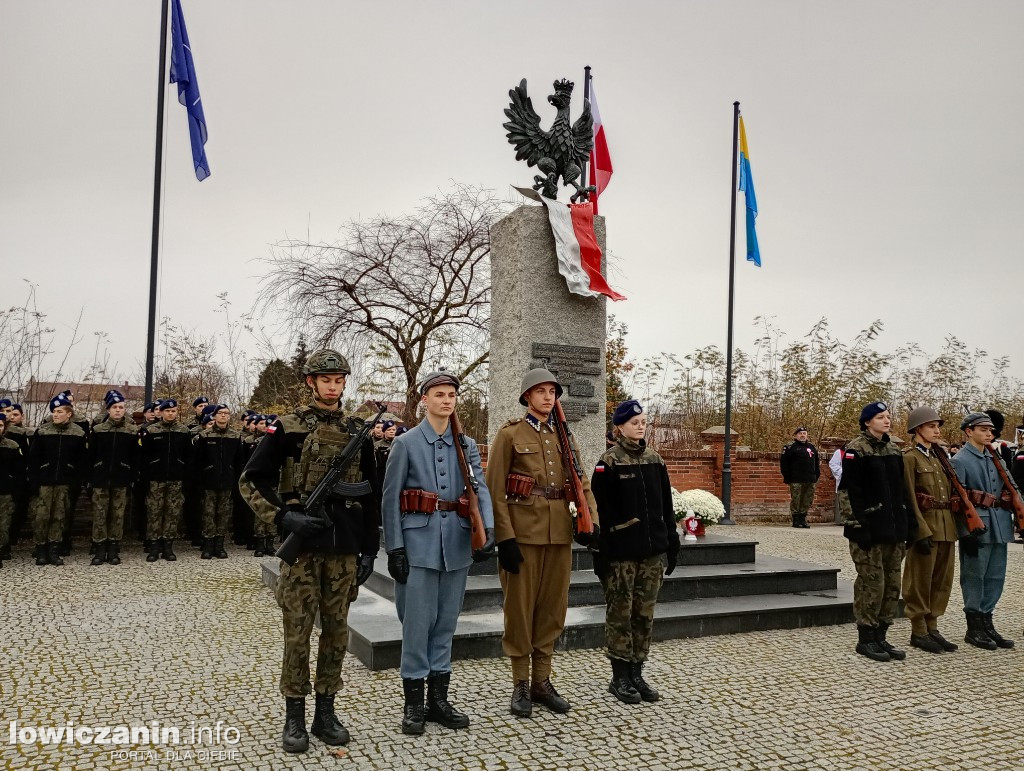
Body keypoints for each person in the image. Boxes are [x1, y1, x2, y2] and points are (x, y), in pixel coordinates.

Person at [239, 349, 380, 753]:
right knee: (298, 633)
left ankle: (326, 712)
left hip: (343, 551)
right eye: (326, 380)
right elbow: (250, 481)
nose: (333, 387)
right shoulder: (287, 427)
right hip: (302, 552)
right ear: (311, 382)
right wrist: (285, 519)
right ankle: (294, 716)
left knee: (336, 634)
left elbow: (370, 496)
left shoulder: (358, 431)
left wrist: (369, 550)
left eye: (339, 380)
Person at [381, 370, 495, 735]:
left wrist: (486, 531)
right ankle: (414, 704)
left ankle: (438, 700)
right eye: (440, 394)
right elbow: (390, 499)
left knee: (446, 623)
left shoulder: (467, 444)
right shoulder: (406, 443)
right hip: (418, 545)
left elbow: (480, 489)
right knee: (417, 625)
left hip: (457, 544)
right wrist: (394, 547)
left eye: (451, 395)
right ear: (424, 401)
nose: (447, 400)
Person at [484, 368, 599, 718]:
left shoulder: (564, 435)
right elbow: (494, 491)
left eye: (552, 391)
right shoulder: (509, 435)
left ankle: (542, 681)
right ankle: (520, 683)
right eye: (541, 391)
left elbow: (581, 480)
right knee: (519, 610)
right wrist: (504, 538)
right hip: (522, 534)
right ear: (526, 397)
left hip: (558, 534)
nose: (548, 397)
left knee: (552, 609)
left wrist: (591, 520)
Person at [590, 400, 678, 704]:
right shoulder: (608, 462)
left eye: (643, 421)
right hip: (621, 554)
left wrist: (672, 540)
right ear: (620, 426)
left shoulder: (656, 459)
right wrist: (602, 552)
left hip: (652, 551)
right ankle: (620, 677)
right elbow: (599, 510)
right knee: (621, 614)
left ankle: (638, 672)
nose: (640, 426)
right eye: (634, 421)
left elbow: (666, 505)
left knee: (644, 614)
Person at [838, 401, 915, 662]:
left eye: (888, 416)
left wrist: (909, 523)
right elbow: (848, 492)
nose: (887, 420)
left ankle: (882, 635)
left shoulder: (894, 449)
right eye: (880, 417)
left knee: (892, 586)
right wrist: (857, 526)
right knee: (873, 585)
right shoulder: (855, 450)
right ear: (867, 422)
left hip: (893, 530)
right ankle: (866, 639)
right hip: (868, 531)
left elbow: (903, 491)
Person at [952, 412, 1019, 649]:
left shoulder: (995, 456)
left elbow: (1011, 488)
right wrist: (965, 534)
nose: (989, 434)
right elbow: (958, 501)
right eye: (983, 430)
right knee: (974, 576)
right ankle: (974, 627)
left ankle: (987, 621)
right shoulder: (959, 460)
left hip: (999, 523)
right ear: (969, 431)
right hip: (976, 526)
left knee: (995, 576)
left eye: (990, 430)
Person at [900, 407, 958, 653]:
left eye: (937, 426)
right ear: (917, 430)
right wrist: (918, 531)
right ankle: (918, 630)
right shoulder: (910, 457)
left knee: (941, 580)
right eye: (931, 426)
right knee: (919, 580)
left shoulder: (939, 457)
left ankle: (932, 626)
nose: (937, 431)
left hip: (946, 526)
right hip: (926, 528)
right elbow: (909, 497)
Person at [27, 393, 86, 566]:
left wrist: (76, 481)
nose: (56, 414)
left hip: (65, 482)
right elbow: (33, 459)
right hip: (45, 482)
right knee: (41, 517)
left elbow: (81, 460)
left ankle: (54, 549)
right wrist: (34, 481)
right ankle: (41, 550)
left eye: (60, 411)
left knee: (59, 517)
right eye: (54, 411)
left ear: (69, 414)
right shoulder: (43, 431)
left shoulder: (78, 433)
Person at [88, 390, 138, 566]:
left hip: (121, 478)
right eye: (115, 407)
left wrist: (131, 476)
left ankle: (114, 548)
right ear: (108, 410)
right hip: (100, 478)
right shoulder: (98, 429)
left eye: (121, 407)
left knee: (117, 514)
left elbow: (135, 457)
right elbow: (90, 455)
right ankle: (100, 548)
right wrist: (92, 475)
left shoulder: (132, 430)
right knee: (100, 514)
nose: (118, 410)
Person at [139, 399, 192, 562]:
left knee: (172, 512)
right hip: (156, 478)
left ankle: (168, 546)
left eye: (174, 411)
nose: (171, 413)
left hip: (176, 478)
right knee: (154, 511)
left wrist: (185, 473)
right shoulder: (151, 430)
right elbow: (143, 456)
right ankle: (154, 546)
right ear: (161, 412)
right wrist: (146, 476)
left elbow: (189, 456)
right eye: (167, 411)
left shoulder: (183, 431)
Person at [193, 404, 243, 560]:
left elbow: (239, 461)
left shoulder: (235, 436)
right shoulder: (205, 435)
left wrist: (236, 479)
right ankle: (208, 545)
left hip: (227, 480)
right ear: (214, 416)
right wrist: (200, 480)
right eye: (220, 413)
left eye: (226, 413)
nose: (223, 416)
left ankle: (219, 545)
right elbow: (198, 461)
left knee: (223, 514)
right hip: (209, 481)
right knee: (208, 513)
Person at [779, 426, 820, 528]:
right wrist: (787, 477)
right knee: (796, 499)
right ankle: (796, 520)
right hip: (796, 478)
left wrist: (816, 475)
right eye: (800, 433)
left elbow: (816, 462)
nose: (802, 435)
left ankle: (803, 519)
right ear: (796, 435)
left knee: (807, 499)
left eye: (804, 433)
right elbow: (784, 463)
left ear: (807, 435)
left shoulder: (811, 447)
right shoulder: (790, 447)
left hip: (810, 478)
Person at [0, 414, 26, 567]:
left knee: (4, 524)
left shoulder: (12, 446)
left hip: (6, 491)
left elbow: (19, 472)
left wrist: (16, 490)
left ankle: (2, 548)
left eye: (1, 425)